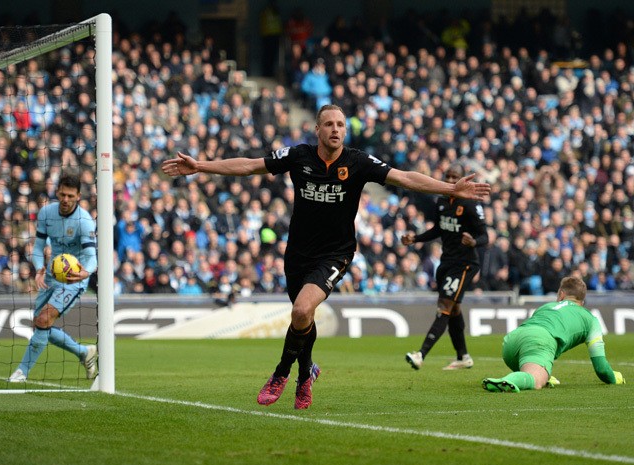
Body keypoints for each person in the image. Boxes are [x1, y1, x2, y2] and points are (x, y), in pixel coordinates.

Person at [162, 105, 490, 409]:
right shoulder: (298, 156)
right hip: (298, 253)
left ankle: (281, 373)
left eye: (340, 125)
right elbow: (250, 166)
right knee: (303, 320)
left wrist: (449, 189)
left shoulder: (358, 162)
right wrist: (200, 166)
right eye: (329, 124)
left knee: (302, 309)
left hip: (335, 253)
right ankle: (307, 374)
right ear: (317, 129)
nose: (336, 129)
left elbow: (405, 177)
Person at [8, 172, 98, 383]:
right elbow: (39, 246)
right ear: (57, 192)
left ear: (78, 197)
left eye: (70, 196)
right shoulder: (46, 213)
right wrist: (39, 268)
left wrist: (85, 272)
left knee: (44, 319)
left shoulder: (84, 221)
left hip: (74, 279)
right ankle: (84, 352)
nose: (65, 200)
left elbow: (91, 257)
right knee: (39, 324)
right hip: (50, 275)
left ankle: (21, 372)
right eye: (62, 195)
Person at [402, 163, 489, 371]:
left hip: (465, 263)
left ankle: (420, 354)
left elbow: (485, 235)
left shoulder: (470, 204)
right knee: (454, 309)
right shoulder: (441, 201)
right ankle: (463, 357)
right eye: (448, 176)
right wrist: (416, 238)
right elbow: (438, 230)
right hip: (447, 262)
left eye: (455, 177)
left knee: (445, 307)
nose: (450, 181)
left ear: (463, 179)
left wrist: (474, 242)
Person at [482, 276, 625, 392]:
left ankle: (536, 375)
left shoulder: (546, 306)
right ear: (582, 300)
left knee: (539, 374)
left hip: (511, 342)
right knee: (536, 381)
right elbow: (601, 369)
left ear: (561, 294)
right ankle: (508, 381)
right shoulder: (591, 320)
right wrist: (614, 378)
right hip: (539, 341)